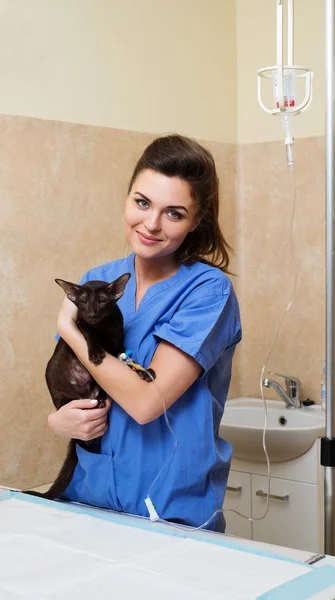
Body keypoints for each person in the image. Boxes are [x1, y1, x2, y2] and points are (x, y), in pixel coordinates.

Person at [48, 134, 242, 532]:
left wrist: (69, 327)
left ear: (196, 220)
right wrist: (59, 421)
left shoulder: (208, 291)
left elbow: (145, 402)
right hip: (90, 501)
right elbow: (72, 381)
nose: (151, 224)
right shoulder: (98, 281)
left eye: (173, 213)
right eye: (142, 202)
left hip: (169, 511)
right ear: (127, 198)